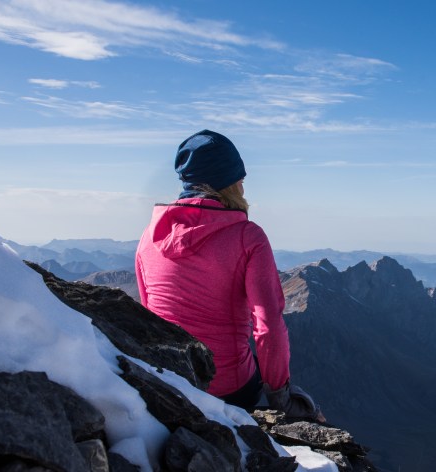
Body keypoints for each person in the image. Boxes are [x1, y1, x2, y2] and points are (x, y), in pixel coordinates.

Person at [135, 129, 323, 421]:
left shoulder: (149, 236)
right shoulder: (248, 236)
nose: (243, 189)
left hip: (169, 380)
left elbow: (147, 315)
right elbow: (268, 327)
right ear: (229, 183)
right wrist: (281, 398)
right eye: (241, 181)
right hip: (228, 388)